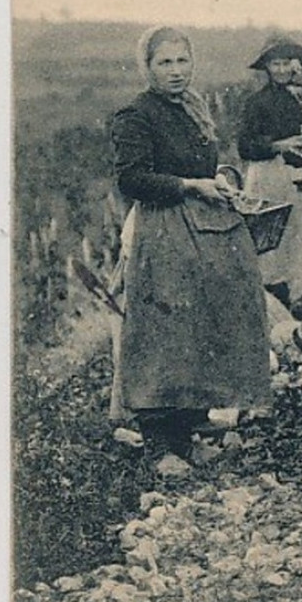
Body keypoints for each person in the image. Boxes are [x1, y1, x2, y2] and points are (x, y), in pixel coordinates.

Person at [109, 26, 269, 462]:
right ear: (147, 67)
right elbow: (132, 179)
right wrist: (190, 185)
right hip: (162, 229)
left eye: (182, 61)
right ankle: (161, 439)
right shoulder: (136, 115)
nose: (176, 72)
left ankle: (190, 426)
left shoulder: (190, 108)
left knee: (201, 320)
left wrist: (215, 180)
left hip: (199, 225)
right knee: (165, 328)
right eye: (165, 63)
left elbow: (202, 163)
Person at [235, 34, 302, 308]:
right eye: (275, 64)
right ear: (267, 68)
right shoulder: (257, 102)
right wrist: (278, 146)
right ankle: (275, 297)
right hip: (270, 177)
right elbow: (245, 146)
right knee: (276, 239)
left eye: (286, 64)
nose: (281, 70)